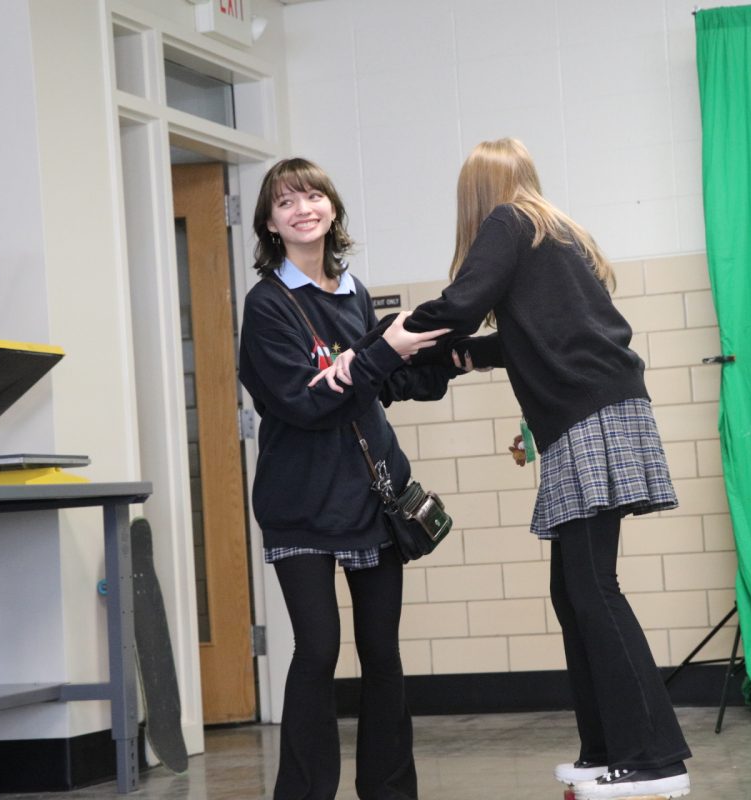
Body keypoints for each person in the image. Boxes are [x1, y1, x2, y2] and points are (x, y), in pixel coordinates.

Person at [327, 138, 692, 799]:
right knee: (574, 590)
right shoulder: (552, 229)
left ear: (475, 193)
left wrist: (380, 348)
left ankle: (655, 758)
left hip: (590, 417)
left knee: (594, 588)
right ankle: (606, 749)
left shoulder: (508, 221)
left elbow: (459, 307)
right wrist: (464, 356)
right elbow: (541, 332)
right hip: (599, 410)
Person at [237, 157, 456, 800]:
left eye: (313, 196)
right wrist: (382, 353)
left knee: (382, 652)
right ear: (270, 224)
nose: (302, 209)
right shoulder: (266, 306)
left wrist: (447, 359)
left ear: (332, 209)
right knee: (317, 650)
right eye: (286, 202)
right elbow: (304, 402)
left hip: (370, 498)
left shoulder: (354, 291)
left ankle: (390, 790)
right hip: (300, 504)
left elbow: (374, 386)